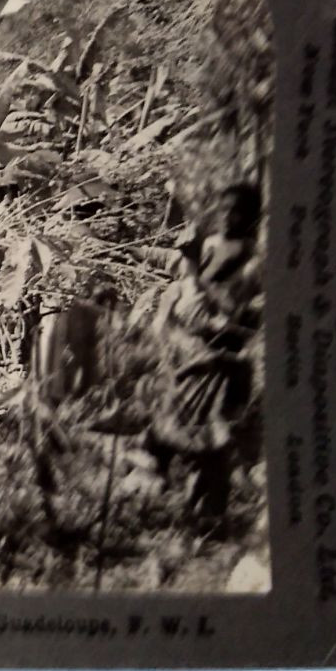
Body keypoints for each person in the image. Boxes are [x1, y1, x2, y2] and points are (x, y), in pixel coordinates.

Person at [147, 183, 262, 521]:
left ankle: (211, 512)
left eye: (237, 212)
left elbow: (247, 314)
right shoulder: (211, 244)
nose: (228, 217)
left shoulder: (253, 261)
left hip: (223, 356)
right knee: (177, 421)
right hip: (195, 349)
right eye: (224, 209)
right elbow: (192, 290)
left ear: (251, 219)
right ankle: (188, 502)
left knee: (215, 436)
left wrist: (227, 322)